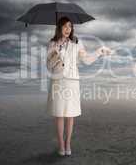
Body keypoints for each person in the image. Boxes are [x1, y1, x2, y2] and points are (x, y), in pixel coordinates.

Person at [46, 16, 111, 156]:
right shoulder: (53, 43)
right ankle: (61, 146)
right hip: (58, 82)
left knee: (70, 115)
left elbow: (86, 60)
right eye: (64, 26)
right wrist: (56, 55)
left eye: (70, 26)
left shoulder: (77, 43)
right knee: (59, 115)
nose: (67, 29)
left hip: (72, 82)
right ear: (59, 28)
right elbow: (49, 66)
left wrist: (100, 51)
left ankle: (68, 143)